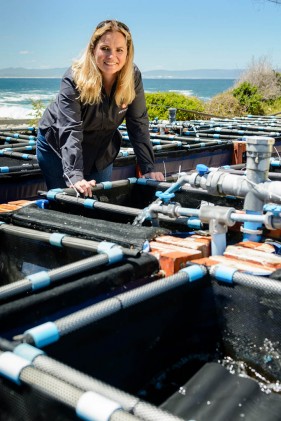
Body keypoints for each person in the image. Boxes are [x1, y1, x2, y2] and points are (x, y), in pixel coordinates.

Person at [36, 19, 164, 197]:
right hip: (58, 148)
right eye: (105, 49)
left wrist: (148, 168)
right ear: (93, 49)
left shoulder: (132, 77)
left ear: (128, 53)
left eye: (119, 50)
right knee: (68, 205)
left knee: (100, 204)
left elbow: (138, 123)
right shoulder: (73, 78)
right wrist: (74, 176)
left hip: (100, 150)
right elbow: (70, 129)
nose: (111, 56)